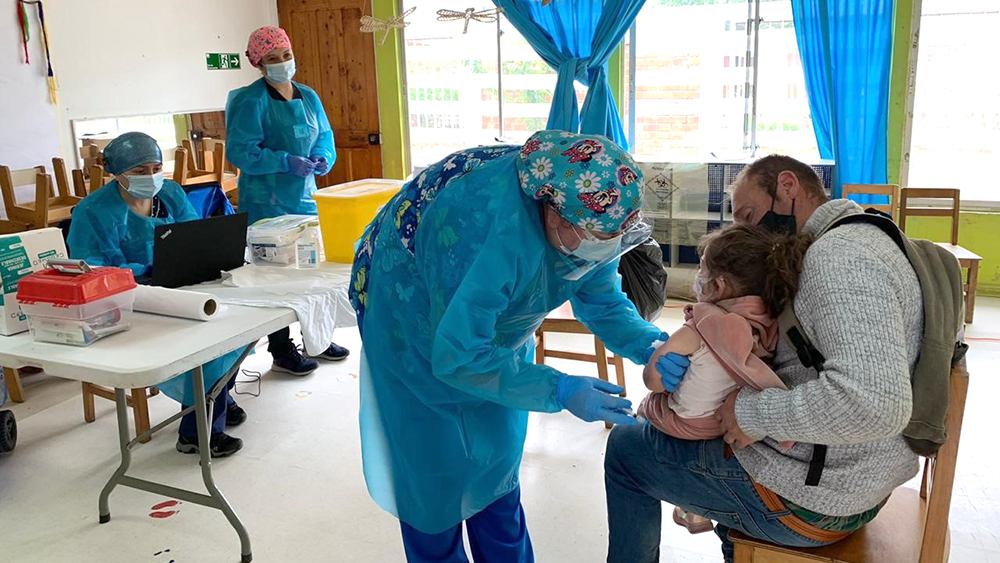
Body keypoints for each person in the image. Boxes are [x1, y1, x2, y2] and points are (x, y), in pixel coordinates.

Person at [348, 130, 690, 563]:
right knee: (432, 485)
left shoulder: (590, 222)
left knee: (495, 473)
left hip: (495, 342)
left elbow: (601, 300)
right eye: (597, 237)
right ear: (554, 215)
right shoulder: (483, 227)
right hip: (410, 327)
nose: (605, 248)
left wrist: (649, 345)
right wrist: (558, 388)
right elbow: (459, 355)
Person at [604, 155, 923, 563]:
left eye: (749, 216)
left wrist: (753, 415)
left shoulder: (837, 258)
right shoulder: (865, 234)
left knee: (626, 448)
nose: (747, 235)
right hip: (857, 479)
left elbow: (875, 404)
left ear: (787, 186)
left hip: (818, 497)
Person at [68, 132, 246, 457]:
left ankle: (218, 395)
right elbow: (90, 267)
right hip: (128, 300)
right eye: (139, 171)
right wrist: (141, 271)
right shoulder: (93, 211)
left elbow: (194, 235)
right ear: (116, 172)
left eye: (155, 167)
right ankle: (197, 433)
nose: (150, 176)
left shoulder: (171, 193)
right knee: (204, 340)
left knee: (236, 326)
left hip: (178, 286)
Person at [638, 224, 809, 533]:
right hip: (729, 426)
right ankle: (703, 510)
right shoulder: (770, 327)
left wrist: (655, 365)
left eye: (701, 270)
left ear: (717, 286)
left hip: (687, 425)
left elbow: (654, 378)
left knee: (647, 409)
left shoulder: (704, 322)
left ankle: (690, 502)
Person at [225, 25, 348, 376]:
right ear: (259, 64)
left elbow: (324, 135)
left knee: (312, 272)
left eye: (286, 56)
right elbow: (241, 151)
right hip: (267, 204)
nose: (282, 63)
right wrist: (284, 161)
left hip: (306, 198)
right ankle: (281, 347)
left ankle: (318, 337)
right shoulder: (251, 101)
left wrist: (323, 157)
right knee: (274, 279)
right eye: (273, 59)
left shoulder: (308, 95)